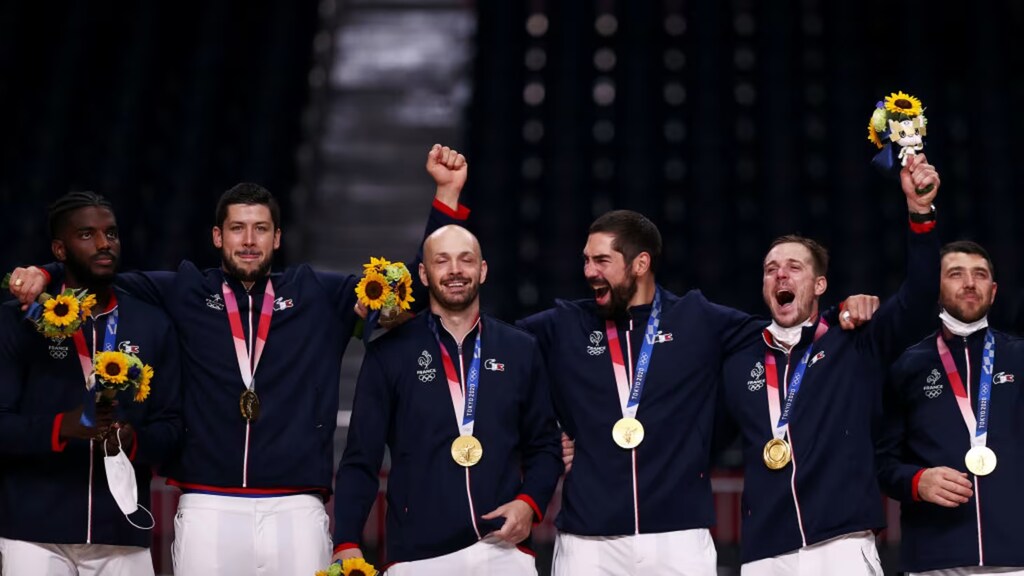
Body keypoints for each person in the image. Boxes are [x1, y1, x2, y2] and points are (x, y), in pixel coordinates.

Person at [8, 145, 471, 576]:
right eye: (237, 228)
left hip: (297, 505)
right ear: (217, 235)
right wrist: (44, 273)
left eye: (261, 229)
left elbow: (406, 292)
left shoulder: (319, 294)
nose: (249, 241)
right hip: (207, 503)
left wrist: (446, 197)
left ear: (277, 238)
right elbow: (97, 271)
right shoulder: (182, 291)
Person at [717, 153, 941, 574]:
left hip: (841, 546)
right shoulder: (740, 360)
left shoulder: (854, 339)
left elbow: (920, 296)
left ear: (819, 284)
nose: (780, 276)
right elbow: (702, 437)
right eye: (771, 270)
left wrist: (920, 212)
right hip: (765, 554)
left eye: (794, 268)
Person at [515, 208, 768, 576]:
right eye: (586, 260)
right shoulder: (565, 325)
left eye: (602, 260)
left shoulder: (697, 320)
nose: (589, 272)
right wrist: (542, 436)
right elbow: (483, 349)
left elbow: (787, 334)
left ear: (640, 263)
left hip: (679, 538)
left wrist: (844, 314)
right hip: (587, 541)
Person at [331, 224, 562, 574]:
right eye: (442, 261)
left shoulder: (519, 349)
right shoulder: (388, 355)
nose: (455, 270)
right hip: (417, 557)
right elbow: (360, 459)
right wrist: (346, 540)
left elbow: (545, 446)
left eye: (465, 260)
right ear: (423, 274)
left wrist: (529, 504)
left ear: (482, 270)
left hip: (503, 552)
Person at [0, 191, 182, 576]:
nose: (104, 244)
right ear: (59, 250)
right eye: (87, 234)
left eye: (111, 234)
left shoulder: (152, 323)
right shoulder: (21, 322)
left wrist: (135, 441)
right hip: (33, 532)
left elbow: (172, 426)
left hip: (121, 530)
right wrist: (60, 428)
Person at [877, 241, 1024, 575]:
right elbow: (881, 463)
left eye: (980, 274)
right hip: (936, 560)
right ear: (935, 286)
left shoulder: (1020, 357)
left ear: (994, 289)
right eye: (956, 274)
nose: (970, 282)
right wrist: (917, 480)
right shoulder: (906, 367)